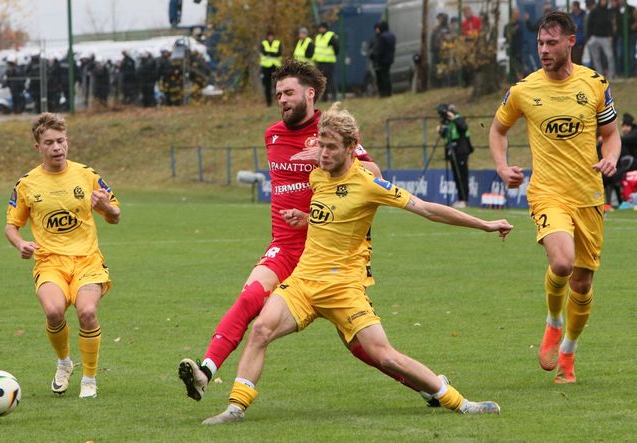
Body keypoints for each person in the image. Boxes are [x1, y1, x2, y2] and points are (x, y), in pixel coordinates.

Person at [202, 102, 512, 424]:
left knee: (384, 356)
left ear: (352, 148)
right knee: (261, 329)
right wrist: (307, 218)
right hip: (303, 282)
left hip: (343, 287)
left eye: (332, 147)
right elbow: (333, 217)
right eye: (321, 145)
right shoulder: (318, 177)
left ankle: (460, 402)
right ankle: (235, 409)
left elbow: (427, 209)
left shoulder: (368, 184)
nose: (323, 153)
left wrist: (485, 225)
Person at [178, 60, 447, 407]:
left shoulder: (330, 132)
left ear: (310, 93)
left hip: (328, 255)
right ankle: (205, 372)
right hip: (286, 248)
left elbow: (373, 172)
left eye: (288, 92)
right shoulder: (272, 134)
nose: (282, 100)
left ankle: (428, 387)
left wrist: (319, 155)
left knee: (361, 347)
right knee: (249, 300)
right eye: (278, 94)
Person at [489, 11, 621, 383]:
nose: (543, 51)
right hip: (547, 193)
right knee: (562, 263)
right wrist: (502, 167)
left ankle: (568, 353)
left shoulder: (595, 84)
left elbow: (611, 134)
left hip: (589, 196)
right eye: (539, 44)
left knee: (582, 283)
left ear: (570, 43)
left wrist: (609, 157)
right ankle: (552, 321)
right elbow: (497, 131)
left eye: (550, 43)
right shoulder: (523, 90)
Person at [4, 112, 121, 399]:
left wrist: (106, 207)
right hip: (49, 262)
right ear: (38, 147)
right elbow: (11, 226)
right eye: (49, 143)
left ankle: (90, 379)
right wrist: (20, 243)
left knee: (87, 312)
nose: (57, 147)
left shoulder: (87, 176)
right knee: (54, 312)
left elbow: (116, 216)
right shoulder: (27, 184)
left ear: (67, 142)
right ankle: (64, 362)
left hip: (87, 261)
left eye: (61, 141)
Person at [437, 103, 473, 208]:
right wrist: (441, 130)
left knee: (462, 175)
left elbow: (463, 127)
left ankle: (464, 199)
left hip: (461, 151)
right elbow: (446, 136)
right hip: (452, 152)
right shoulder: (448, 122)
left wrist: (454, 119)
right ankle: (460, 198)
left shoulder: (459, 119)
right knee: (456, 177)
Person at [586, 0, 615, 79]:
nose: (603, 2)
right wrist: (589, 38)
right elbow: (589, 24)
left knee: (610, 56)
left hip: (605, 37)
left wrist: (611, 35)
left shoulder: (608, 12)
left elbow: (610, 24)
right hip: (594, 36)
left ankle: (611, 75)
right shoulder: (594, 11)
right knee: (596, 58)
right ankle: (600, 76)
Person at [369, 20, 396, 98]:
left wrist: (374, 57)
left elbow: (379, 50)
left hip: (382, 60)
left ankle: (384, 93)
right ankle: (389, 92)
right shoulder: (392, 36)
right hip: (390, 59)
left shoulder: (382, 37)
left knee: (382, 77)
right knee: (387, 76)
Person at [313, 22, 339, 101]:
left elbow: (337, 47)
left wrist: (332, 54)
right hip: (319, 62)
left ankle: (334, 96)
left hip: (329, 62)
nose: (320, 29)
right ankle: (324, 98)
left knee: (329, 80)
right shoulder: (318, 37)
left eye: (322, 27)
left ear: (326, 28)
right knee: (321, 81)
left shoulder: (330, 36)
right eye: (320, 27)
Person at [259, 31, 282, 107]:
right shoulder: (263, 43)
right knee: (267, 85)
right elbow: (263, 52)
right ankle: (269, 102)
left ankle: (280, 100)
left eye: (272, 36)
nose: (270, 38)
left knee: (277, 85)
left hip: (275, 67)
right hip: (266, 67)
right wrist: (273, 53)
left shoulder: (277, 43)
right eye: (269, 36)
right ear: (267, 37)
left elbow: (279, 53)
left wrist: (269, 53)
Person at [504, 9, 525, 81]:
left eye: (517, 14)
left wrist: (513, 31)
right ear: (512, 15)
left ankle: (520, 79)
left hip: (520, 48)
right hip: (511, 49)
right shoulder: (507, 26)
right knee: (514, 65)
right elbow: (505, 36)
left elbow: (520, 32)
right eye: (515, 14)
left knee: (520, 65)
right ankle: (516, 79)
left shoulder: (521, 24)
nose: (517, 15)